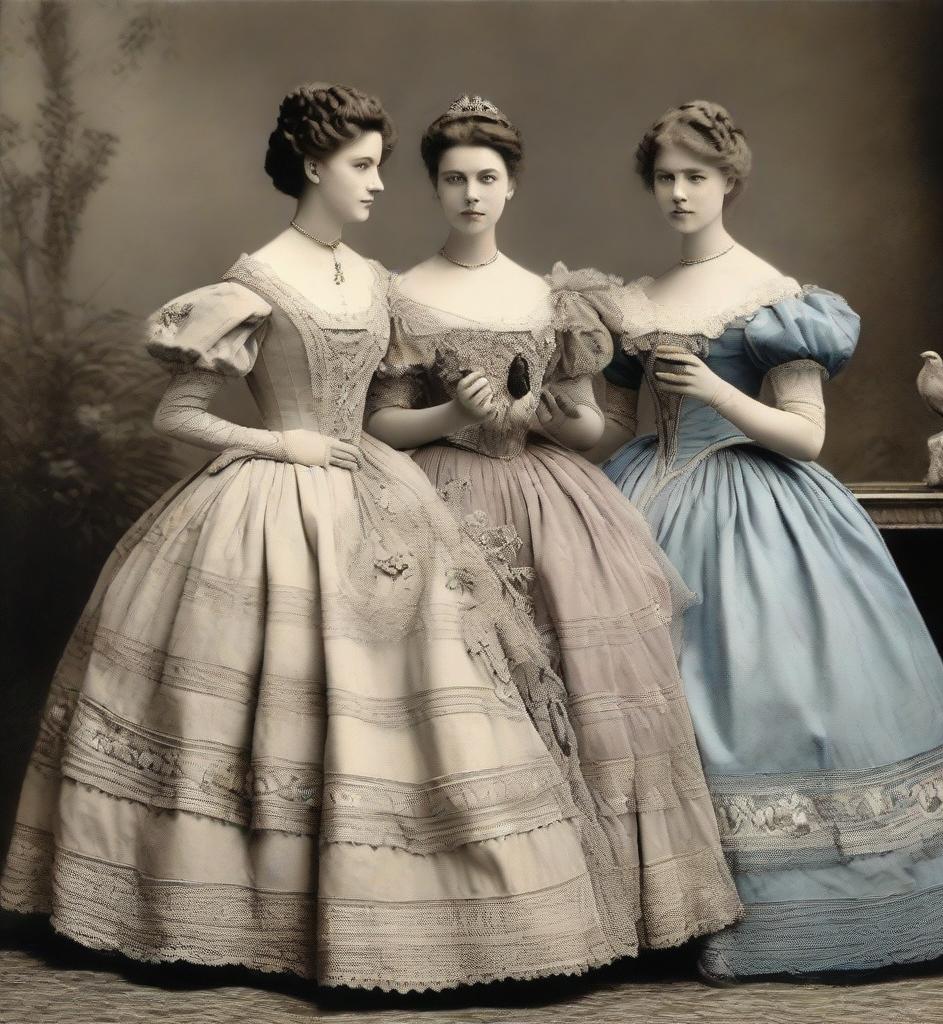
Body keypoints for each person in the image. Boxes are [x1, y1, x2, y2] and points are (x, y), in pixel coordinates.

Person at [1, 84, 654, 992]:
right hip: (272, 494)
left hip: (378, 493)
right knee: (261, 698)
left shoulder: (374, 280)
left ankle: (427, 914)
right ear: (313, 167)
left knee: (428, 696)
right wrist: (285, 443)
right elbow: (176, 410)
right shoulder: (253, 280)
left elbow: (391, 408)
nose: (381, 185)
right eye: (362, 166)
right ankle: (243, 908)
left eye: (383, 166)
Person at [584, 99, 943, 980]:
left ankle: (790, 911)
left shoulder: (775, 299)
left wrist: (711, 387)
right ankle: (656, 907)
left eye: (696, 178)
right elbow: (621, 423)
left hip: (757, 510)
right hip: (640, 501)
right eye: (665, 178)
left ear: (729, 183)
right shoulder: (635, 300)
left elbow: (804, 435)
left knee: (766, 691)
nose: (678, 192)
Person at [365, 95, 743, 955]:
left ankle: (597, 909)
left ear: (511, 189)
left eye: (487, 179)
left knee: (590, 687)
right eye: (455, 179)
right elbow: (379, 426)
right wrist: (452, 418)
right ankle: (476, 913)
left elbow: (596, 430)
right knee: (456, 696)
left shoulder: (551, 296)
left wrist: (538, 413)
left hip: (549, 503)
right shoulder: (402, 296)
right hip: (436, 501)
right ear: (433, 187)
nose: (471, 195)